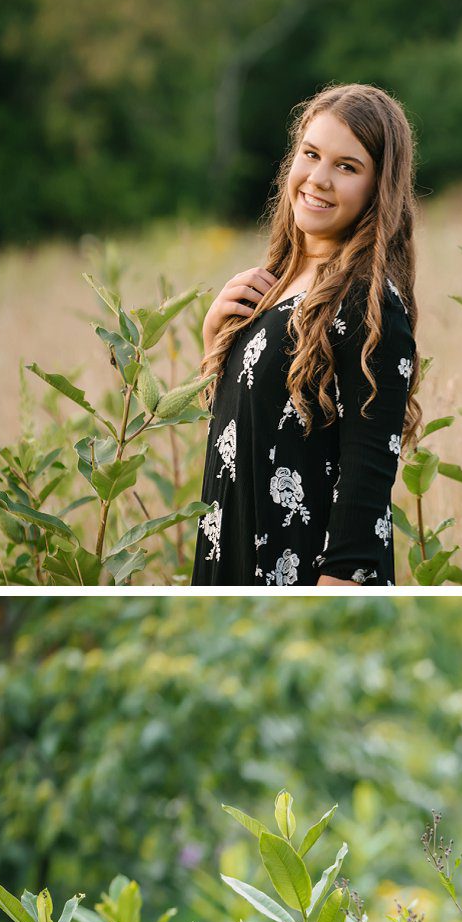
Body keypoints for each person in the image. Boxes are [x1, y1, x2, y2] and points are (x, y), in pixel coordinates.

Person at [191, 83, 418, 587]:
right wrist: (214, 341)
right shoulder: (272, 284)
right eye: (311, 154)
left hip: (305, 575)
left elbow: (368, 474)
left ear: (377, 187)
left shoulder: (367, 302)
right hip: (234, 551)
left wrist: (334, 592)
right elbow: (242, 433)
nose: (318, 179)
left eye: (347, 166)